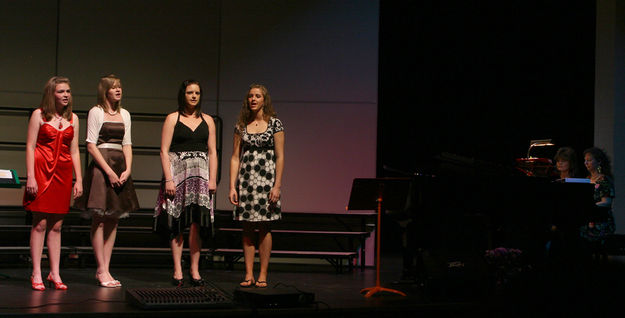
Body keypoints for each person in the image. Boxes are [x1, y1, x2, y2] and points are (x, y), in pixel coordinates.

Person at [73, 74, 139, 287]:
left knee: (113, 219)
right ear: (105, 91)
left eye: (119, 87)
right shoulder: (96, 112)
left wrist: (128, 169)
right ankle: (101, 269)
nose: (118, 90)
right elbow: (91, 145)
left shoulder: (125, 114)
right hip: (103, 168)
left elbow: (127, 143)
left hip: (120, 165)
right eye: (113, 88)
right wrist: (109, 171)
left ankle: (106, 269)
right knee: (99, 219)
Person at [154, 80, 217, 287]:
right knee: (178, 223)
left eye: (197, 93)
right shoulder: (173, 118)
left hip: (200, 179)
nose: (193, 96)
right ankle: (178, 269)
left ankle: (195, 268)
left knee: (197, 224)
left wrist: (213, 178)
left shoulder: (208, 120)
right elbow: (164, 150)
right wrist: (169, 179)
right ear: (183, 94)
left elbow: (213, 152)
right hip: (177, 178)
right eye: (190, 92)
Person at [23, 76, 83, 290]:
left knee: (57, 225)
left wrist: (79, 179)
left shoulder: (74, 118)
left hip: (63, 173)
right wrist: (30, 176)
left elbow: (74, 150)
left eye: (68, 91)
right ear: (52, 94)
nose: (66, 95)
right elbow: (30, 147)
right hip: (41, 171)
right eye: (61, 91)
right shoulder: (38, 115)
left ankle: (55, 273)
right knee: (39, 223)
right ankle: (37, 272)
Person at [229, 84, 285, 288]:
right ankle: (248, 273)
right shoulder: (241, 125)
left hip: (266, 182)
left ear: (264, 100)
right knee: (246, 227)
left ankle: (263, 274)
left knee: (264, 226)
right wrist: (232, 186)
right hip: (246, 182)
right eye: (251, 96)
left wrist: (277, 185)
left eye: (257, 96)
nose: (253, 99)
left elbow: (280, 157)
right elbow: (235, 157)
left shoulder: (275, 124)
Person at [579, 147, 615, 244]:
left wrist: (589, 207)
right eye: (585, 160)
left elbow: (607, 202)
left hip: (601, 222)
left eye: (589, 160)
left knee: (578, 235)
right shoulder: (587, 179)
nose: (586, 163)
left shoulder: (604, 180)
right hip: (588, 219)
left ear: (599, 161)